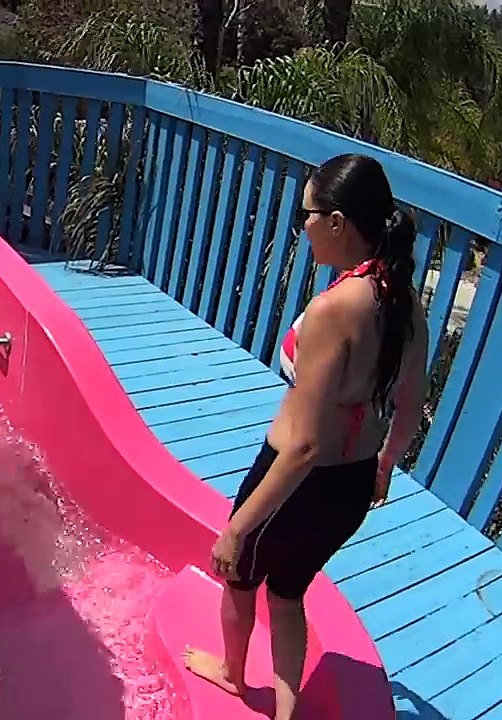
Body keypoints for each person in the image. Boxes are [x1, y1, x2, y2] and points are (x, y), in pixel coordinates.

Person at [182, 154, 428, 720]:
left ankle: (232, 674)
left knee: (241, 584)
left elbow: (304, 446)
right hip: (351, 489)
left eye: (307, 216)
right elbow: (411, 403)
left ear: (338, 222)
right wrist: (385, 466)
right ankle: (288, 714)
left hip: (295, 485)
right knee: (289, 596)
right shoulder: (406, 303)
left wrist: (236, 529)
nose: (303, 227)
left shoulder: (332, 308)